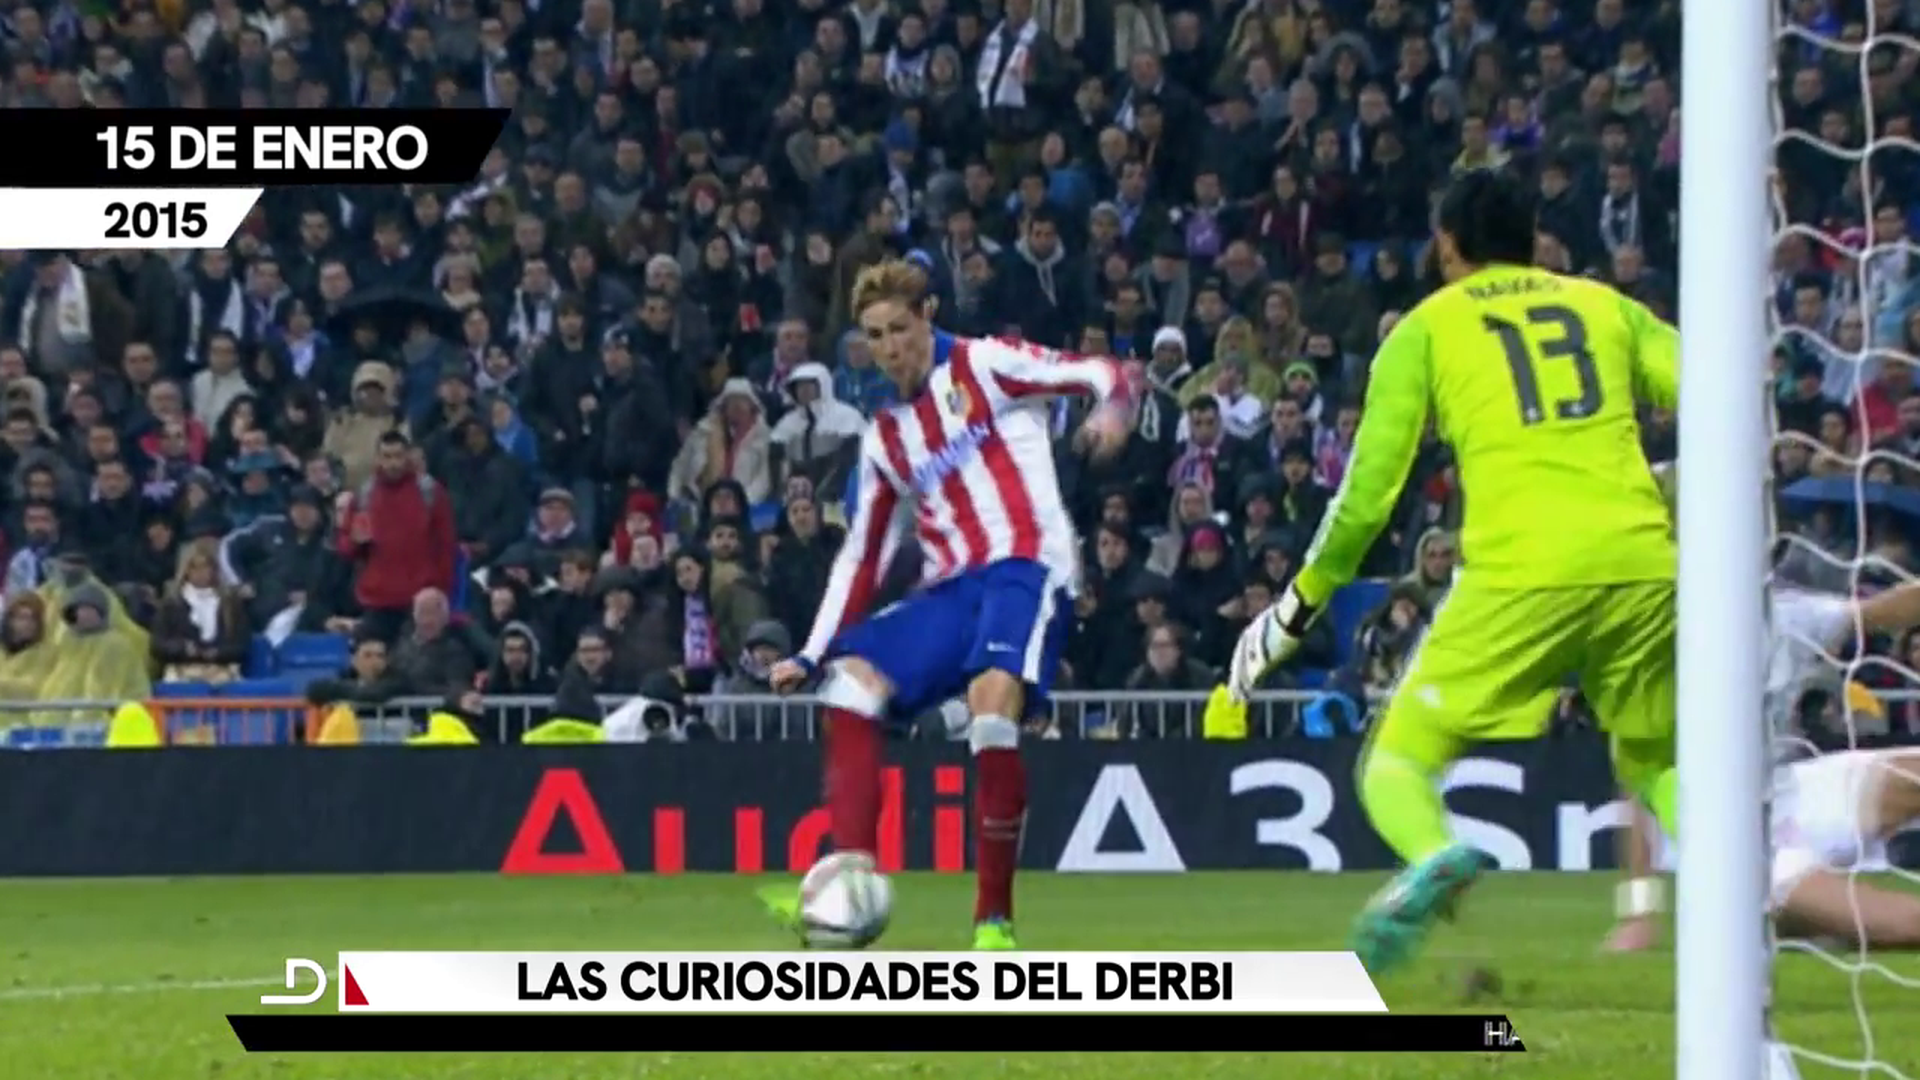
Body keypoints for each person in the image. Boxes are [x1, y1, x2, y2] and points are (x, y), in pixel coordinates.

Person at [1225, 169, 1682, 974]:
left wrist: (1300, 605)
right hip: (1645, 561)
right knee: (1655, 763)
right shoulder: (1606, 305)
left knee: (1397, 759)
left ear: (1446, 247)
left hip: (1522, 571)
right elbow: (1719, 390)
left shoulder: (1427, 329)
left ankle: (1434, 854)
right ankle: (1774, 869)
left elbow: (1365, 500)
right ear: (1532, 235)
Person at [763, 259, 1130, 950]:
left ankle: (993, 922)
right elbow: (863, 557)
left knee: (992, 707)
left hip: (1027, 570)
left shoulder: (986, 364)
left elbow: (1097, 371)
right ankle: (852, 881)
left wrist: (1111, 409)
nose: (889, 346)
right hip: (954, 587)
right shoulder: (885, 439)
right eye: (874, 335)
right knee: (849, 686)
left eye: (900, 328)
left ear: (928, 314)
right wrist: (811, 653)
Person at [1605, 575, 1920, 952]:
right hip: (1735, 846)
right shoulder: (1653, 661)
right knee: (1910, 923)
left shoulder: (1783, 615)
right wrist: (1639, 915)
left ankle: (1809, 923)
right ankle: (1795, 915)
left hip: (1796, 795)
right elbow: (1636, 791)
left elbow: (1879, 611)